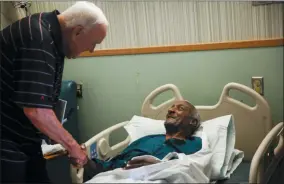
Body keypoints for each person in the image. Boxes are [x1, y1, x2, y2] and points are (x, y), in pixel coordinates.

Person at [0, 1, 108, 183]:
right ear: (78, 31)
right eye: (93, 43)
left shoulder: (51, 38)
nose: (91, 50)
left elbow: (40, 102)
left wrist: (59, 140)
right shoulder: (38, 37)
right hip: (6, 138)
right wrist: (72, 146)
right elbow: (36, 111)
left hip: (23, 138)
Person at [84, 100, 202, 181]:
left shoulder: (196, 144)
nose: (171, 110)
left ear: (193, 122)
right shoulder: (146, 140)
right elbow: (110, 166)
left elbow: (194, 171)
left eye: (180, 108)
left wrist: (158, 167)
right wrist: (84, 160)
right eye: (171, 107)